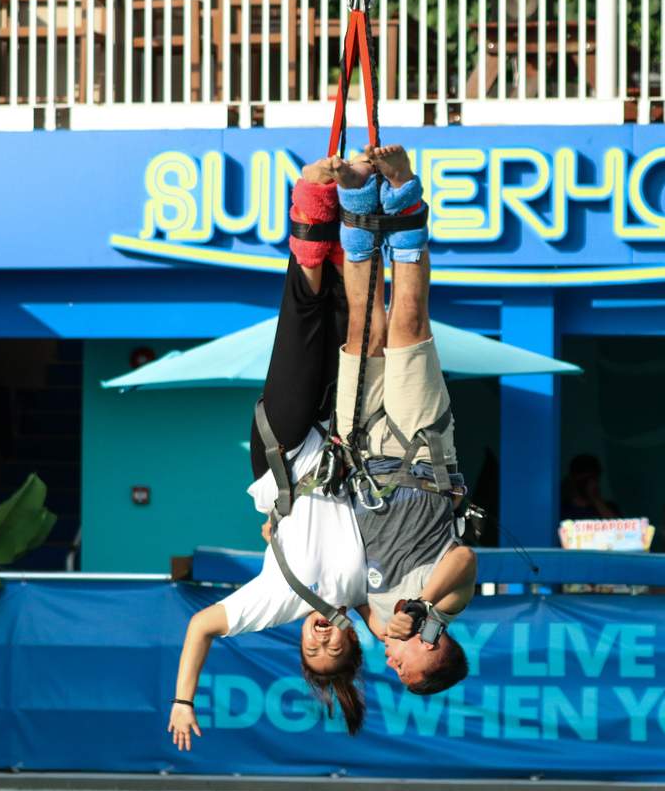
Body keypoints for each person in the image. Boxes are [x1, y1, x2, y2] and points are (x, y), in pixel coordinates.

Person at [168, 159, 369, 751]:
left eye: (312, 648)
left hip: (282, 452)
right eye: (334, 647)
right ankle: (352, 205)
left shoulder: (273, 605)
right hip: (338, 440)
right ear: (353, 640)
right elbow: (405, 628)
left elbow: (200, 626)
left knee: (302, 329)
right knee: (349, 318)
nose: (321, 638)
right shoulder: (369, 594)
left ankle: (312, 200)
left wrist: (183, 700)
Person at [326, 144, 477, 696]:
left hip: (362, 454)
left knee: (363, 328)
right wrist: (420, 606)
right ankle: (404, 193)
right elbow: (463, 557)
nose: (390, 663)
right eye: (403, 668)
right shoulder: (450, 605)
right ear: (431, 648)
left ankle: (357, 204)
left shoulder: (375, 625)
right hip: (422, 449)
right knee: (408, 322)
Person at [560, 453, 620, 521]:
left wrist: (596, 499)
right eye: (583, 480)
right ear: (573, 479)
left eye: (593, 478)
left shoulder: (608, 508)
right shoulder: (560, 510)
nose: (589, 484)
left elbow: (618, 526)